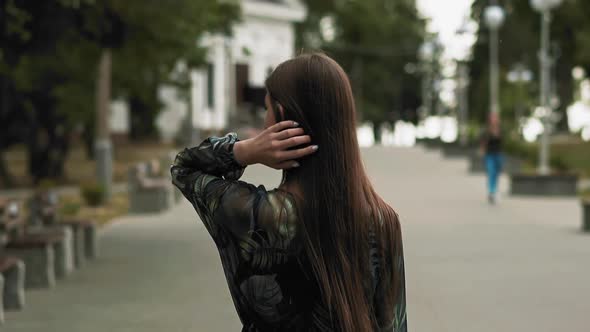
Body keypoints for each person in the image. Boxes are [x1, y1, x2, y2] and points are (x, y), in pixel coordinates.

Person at [171, 53, 407, 331]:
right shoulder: (382, 220)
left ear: (282, 116)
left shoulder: (258, 215)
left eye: (267, 109)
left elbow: (184, 168)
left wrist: (245, 150)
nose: (264, 121)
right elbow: (394, 324)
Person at [480, 113, 503, 204]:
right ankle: (491, 191)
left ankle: (494, 189)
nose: (495, 120)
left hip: (498, 154)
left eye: (496, 118)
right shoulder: (486, 130)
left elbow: (502, 141)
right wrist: (482, 150)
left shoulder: (500, 129)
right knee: (491, 171)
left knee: (496, 173)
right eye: (493, 118)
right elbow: (483, 141)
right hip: (489, 154)